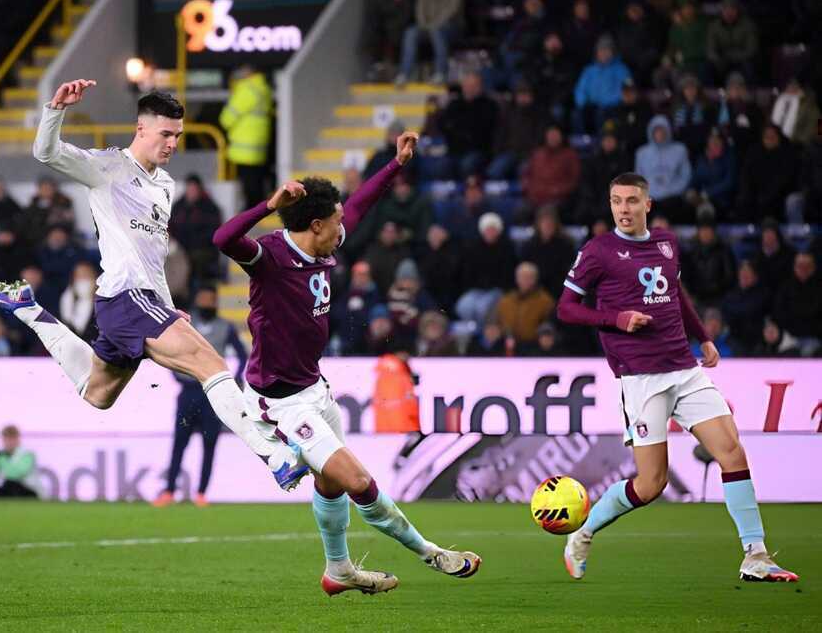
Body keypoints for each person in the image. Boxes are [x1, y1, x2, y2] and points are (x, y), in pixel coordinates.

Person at [0, 80, 302, 490]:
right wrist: (56, 109)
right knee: (211, 364)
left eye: (178, 136)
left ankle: (29, 309)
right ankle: (275, 455)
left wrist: (168, 306)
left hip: (141, 302)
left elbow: (154, 257)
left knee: (98, 394)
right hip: (125, 297)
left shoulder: (165, 187)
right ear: (141, 129)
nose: (172, 144)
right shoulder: (108, 167)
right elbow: (46, 152)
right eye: (165, 134)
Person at [213, 132, 480, 595]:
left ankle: (338, 571)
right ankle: (431, 552)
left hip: (316, 387)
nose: (344, 229)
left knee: (331, 484)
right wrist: (269, 204)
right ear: (315, 225)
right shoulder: (270, 257)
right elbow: (223, 237)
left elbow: (359, 205)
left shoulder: (325, 245)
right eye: (335, 223)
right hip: (281, 403)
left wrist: (396, 165)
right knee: (358, 479)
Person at [557, 172, 798, 582]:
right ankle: (583, 532)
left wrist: (702, 337)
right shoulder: (599, 251)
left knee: (732, 452)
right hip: (641, 378)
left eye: (632, 201)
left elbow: (675, 295)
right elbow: (566, 308)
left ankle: (755, 554)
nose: (623, 209)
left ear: (647, 204)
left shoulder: (666, 242)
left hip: (683, 368)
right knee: (651, 484)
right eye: (616, 201)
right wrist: (616, 319)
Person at [153, 286, 247, 507]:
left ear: (215, 303)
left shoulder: (225, 327)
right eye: (203, 299)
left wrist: (233, 379)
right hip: (188, 391)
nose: (206, 304)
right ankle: (169, 491)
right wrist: (176, 374)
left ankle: (202, 493)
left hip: (211, 392)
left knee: (209, 442)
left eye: (210, 300)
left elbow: (243, 355)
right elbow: (168, 349)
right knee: (179, 442)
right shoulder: (186, 323)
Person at [219, 65, 272, 208]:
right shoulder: (263, 88)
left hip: (243, 147)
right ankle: (260, 207)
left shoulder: (246, 89)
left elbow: (226, 119)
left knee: (249, 184)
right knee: (257, 180)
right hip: (258, 145)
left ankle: (253, 210)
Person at [394, 0, 463, 85]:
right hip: (427, 26)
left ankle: (440, 73)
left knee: (437, 32)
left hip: (450, 26)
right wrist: (424, 24)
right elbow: (419, 9)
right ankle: (404, 74)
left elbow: (453, 9)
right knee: (410, 33)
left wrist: (435, 24)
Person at [438, 71, 498, 178]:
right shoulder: (454, 104)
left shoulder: (489, 105)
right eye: (467, 86)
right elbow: (444, 125)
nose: (470, 89)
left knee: (467, 164)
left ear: (480, 87)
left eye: (473, 86)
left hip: (478, 151)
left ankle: (470, 192)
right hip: (454, 150)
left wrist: (460, 131)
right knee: (442, 166)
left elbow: (483, 130)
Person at [634, 115, 692, 223]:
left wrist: (672, 190)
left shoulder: (680, 150)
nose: (659, 134)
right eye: (657, 131)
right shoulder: (641, 153)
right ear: (651, 132)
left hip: (673, 197)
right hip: (650, 198)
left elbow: (685, 176)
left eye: (662, 130)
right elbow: (638, 179)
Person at [169, 174, 223, 283]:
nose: (191, 192)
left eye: (194, 189)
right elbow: (170, 227)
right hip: (180, 249)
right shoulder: (178, 207)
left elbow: (213, 234)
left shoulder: (210, 209)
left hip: (202, 250)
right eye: (189, 189)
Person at [572, 34, 632, 134]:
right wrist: (582, 102)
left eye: (607, 50)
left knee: (601, 114)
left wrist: (607, 102)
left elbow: (626, 91)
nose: (603, 53)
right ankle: (581, 140)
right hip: (590, 105)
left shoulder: (622, 69)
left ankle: (602, 140)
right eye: (601, 50)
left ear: (613, 52)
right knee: (577, 114)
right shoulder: (589, 70)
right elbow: (580, 89)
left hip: (611, 107)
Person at [520, 124, 580, 219]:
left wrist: (556, 191)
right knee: (521, 210)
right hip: (536, 198)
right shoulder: (537, 154)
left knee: (548, 211)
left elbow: (574, 180)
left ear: (561, 137)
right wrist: (531, 190)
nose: (553, 138)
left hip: (557, 199)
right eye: (551, 135)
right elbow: (526, 175)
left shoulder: (570, 155)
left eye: (556, 135)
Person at [773, 252, 822, 357]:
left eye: (807, 266)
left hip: (814, 337)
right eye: (800, 266)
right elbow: (779, 313)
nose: (803, 269)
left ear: (813, 268)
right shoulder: (785, 287)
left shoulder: (819, 288)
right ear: (794, 267)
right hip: (789, 336)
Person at [495, 261, 555, 346]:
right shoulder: (505, 301)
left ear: (535, 279)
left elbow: (548, 324)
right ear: (517, 279)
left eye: (529, 277)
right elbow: (497, 322)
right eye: (522, 277)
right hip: (509, 345)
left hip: (534, 347)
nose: (525, 281)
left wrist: (545, 334)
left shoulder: (545, 301)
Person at [706, 0, 758, 86]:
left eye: (732, 9)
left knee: (750, 66)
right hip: (722, 60)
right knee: (709, 67)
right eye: (726, 9)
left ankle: (749, 94)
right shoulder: (714, 26)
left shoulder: (748, 25)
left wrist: (734, 57)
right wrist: (718, 59)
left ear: (737, 10)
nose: (729, 12)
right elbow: (711, 49)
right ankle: (713, 95)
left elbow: (751, 49)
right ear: (722, 10)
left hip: (741, 60)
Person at [0, 425, 41, 499]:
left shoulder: (27, 454)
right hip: (8, 490)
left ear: (18, 439)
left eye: (12, 438)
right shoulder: (1, 454)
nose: (9, 442)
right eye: (6, 438)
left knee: (10, 484)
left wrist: (0, 458)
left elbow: (15, 475)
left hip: (28, 491)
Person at [722, 261, 771, 355]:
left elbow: (757, 312)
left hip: (757, 339)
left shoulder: (763, 294)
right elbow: (728, 315)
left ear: (755, 276)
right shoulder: (731, 295)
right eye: (742, 272)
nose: (744, 275)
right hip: (736, 339)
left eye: (748, 273)